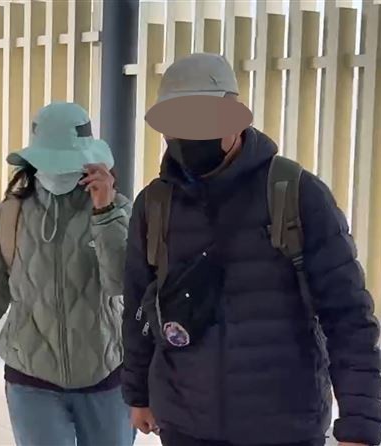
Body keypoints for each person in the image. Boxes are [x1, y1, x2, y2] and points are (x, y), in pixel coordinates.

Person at [122, 53, 381, 446]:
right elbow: (139, 306)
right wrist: (138, 393)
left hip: (284, 428)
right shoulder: (155, 205)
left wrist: (360, 424)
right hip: (185, 425)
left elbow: (347, 315)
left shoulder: (297, 194)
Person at [0, 102, 134, 446]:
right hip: (30, 378)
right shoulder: (10, 215)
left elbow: (121, 283)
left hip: (106, 376)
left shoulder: (117, 210)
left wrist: (104, 213)